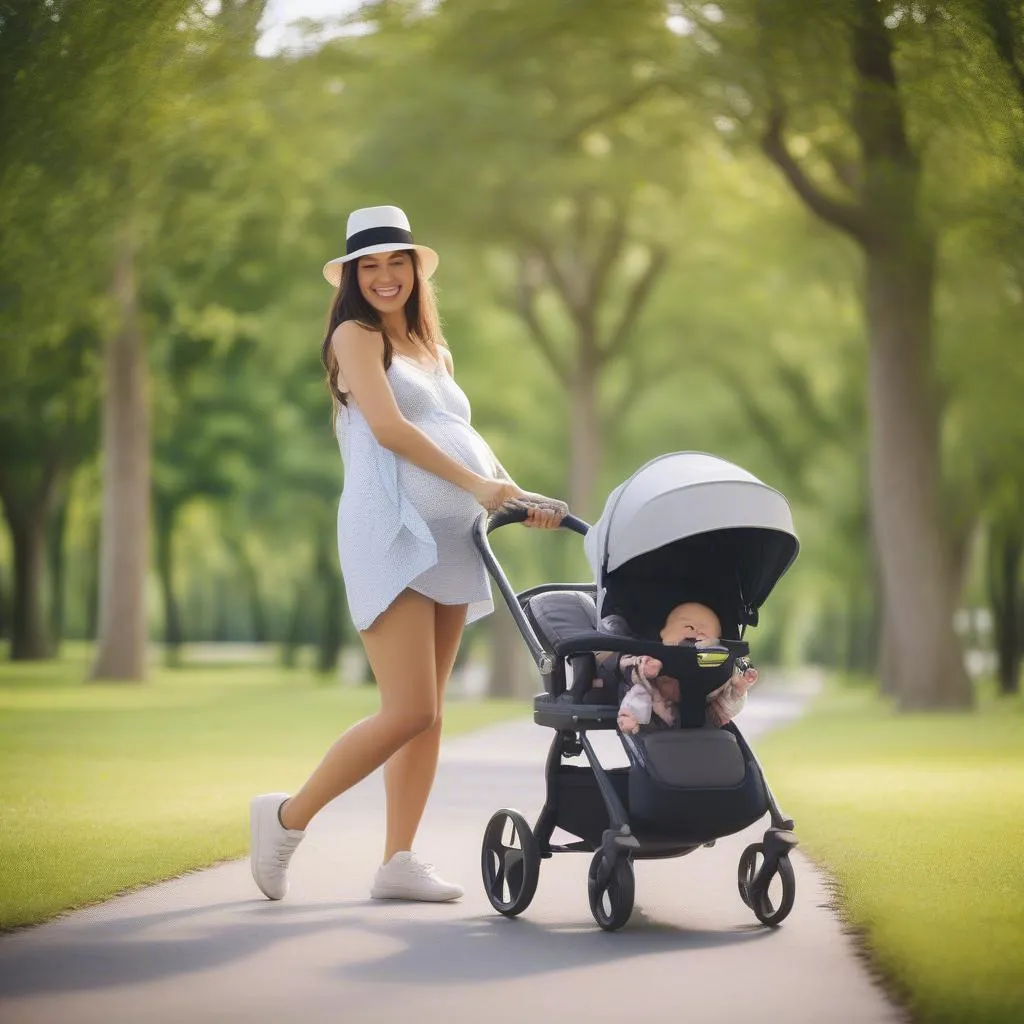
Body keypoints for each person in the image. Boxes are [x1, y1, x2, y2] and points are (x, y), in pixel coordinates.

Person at [249, 205, 568, 904]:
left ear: (415, 272)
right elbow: (390, 429)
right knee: (409, 710)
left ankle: (398, 862)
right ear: (354, 277)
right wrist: (481, 486)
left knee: (431, 711)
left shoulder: (434, 350)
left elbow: (461, 436)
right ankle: (284, 818)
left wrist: (513, 494)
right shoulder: (355, 338)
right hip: (391, 533)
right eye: (370, 265)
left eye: (396, 263)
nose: (385, 276)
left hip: (455, 539)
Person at [592, 601, 758, 731]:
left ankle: (737, 686)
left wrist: (739, 688)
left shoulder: (715, 674)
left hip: (705, 682)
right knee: (638, 688)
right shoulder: (649, 680)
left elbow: (725, 709)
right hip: (658, 688)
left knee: (723, 705)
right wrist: (644, 669)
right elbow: (628, 668)